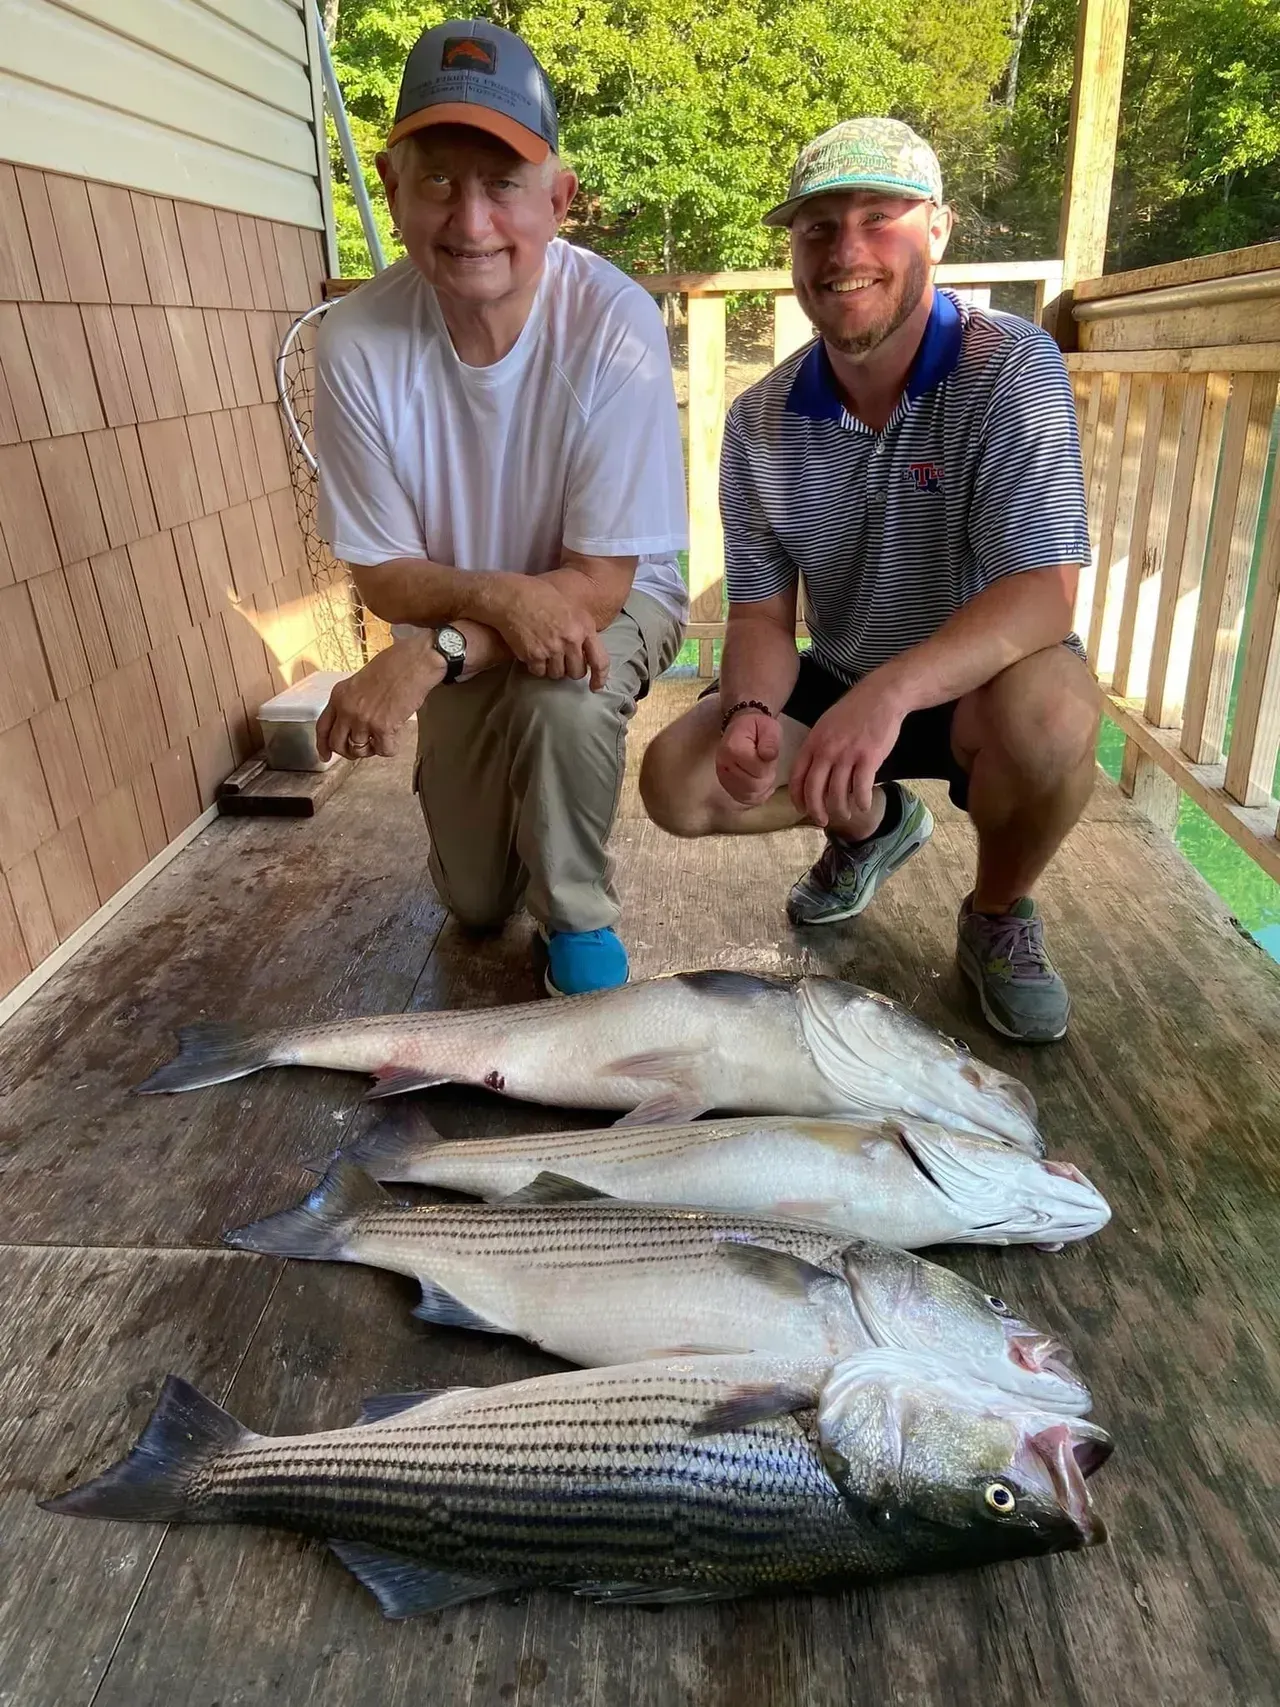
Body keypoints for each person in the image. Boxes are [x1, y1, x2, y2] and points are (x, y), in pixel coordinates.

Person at [640, 118, 1098, 1043]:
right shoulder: (760, 418)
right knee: (677, 781)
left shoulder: (1009, 365)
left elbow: (1045, 592)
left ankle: (998, 912)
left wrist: (890, 695)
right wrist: (751, 717)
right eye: (817, 227)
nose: (845, 251)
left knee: (1054, 717)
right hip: (844, 672)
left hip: (981, 684)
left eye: (878, 218)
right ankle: (872, 826)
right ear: (795, 249)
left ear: (936, 231)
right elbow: (763, 613)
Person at [313, 19, 687, 997]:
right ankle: (510, 840)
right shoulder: (354, 340)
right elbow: (381, 569)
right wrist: (486, 608)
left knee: (556, 696)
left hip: (613, 599)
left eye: (503, 183)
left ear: (556, 200)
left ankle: (580, 929)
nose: (470, 220)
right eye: (438, 179)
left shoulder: (614, 324)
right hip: (465, 615)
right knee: (475, 905)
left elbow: (597, 585)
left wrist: (432, 651)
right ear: (393, 192)